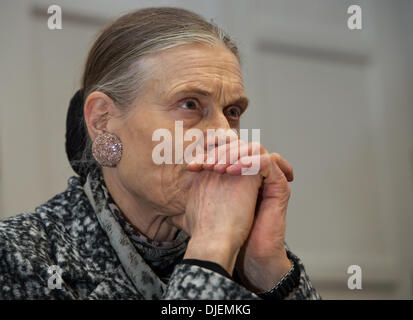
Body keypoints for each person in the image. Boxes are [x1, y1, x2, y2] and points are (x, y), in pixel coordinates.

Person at [0, 7, 321, 300]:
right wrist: (209, 254)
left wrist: (266, 267)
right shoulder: (20, 254)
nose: (225, 134)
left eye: (233, 110)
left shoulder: (238, 243)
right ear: (102, 120)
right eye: (190, 104)